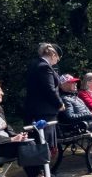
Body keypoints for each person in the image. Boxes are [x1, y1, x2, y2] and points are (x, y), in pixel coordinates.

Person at [23, 42, 64, 176]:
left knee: (43, 143)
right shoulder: (43, 67)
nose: (57, 61)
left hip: (39, 110)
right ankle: (40, 172)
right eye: (58, 58)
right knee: (42, 143)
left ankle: (43, 171)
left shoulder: (36, 64)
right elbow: (49, 89)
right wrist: (59, 104)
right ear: (53, 55)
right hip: (43, 112)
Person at [0, 80, 37, 163]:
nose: (2, 93)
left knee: (29, 142)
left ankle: (40, 174)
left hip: (9, 143)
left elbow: (7, 126)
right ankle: (39, 174)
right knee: (27, 146)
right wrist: (12, 139)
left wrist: (18, 136)